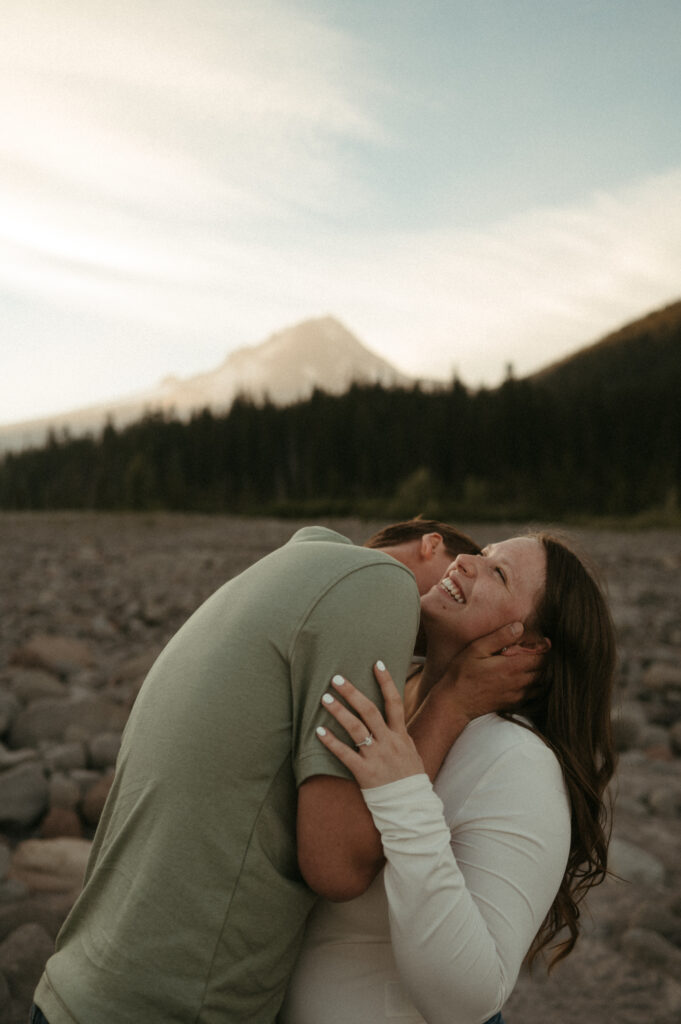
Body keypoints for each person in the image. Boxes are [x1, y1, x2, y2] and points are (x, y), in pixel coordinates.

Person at [31, 519, 537, 1024]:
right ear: (431, 545)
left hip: (77, 985)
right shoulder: (381, 583)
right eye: (473, 561)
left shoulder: (283, 571)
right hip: (174, 1007)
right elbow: (336, 865)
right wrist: (452, 701)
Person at [280, 533, 616, 1024]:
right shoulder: (389, 683)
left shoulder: (517, 760)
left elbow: (469, 1002)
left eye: (497, 574)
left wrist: (404, 798)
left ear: (527, 646)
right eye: (482, 555)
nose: (463, 562)